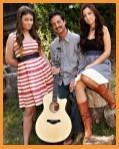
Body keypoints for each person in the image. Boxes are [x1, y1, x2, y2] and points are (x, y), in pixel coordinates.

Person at [5, 6, 53, 145]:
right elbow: (8, 59)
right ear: (20, 20)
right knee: (29, 109)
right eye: (26, 19)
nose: (29, 23)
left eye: (31, 20)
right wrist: (23, 66)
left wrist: (49, 68)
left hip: (42, 72)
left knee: (48, 101)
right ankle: (26, 143)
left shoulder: (34, 34)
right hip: (27, 76)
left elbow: (42, 54)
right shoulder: (12, 37)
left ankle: (51, 131)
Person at [73, 4, 116, 140]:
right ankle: (88, 126)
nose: (87, 17)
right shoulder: (84, 32)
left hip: (101, 64)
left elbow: (107, 52)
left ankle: (111, 99)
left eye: (89, 13)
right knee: (78, 86)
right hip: (87, 66)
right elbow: (82, 56)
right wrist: (81, 70)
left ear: (95, 13)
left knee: (84, 77)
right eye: (85, 15)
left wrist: (91, 66)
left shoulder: (103, 29)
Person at [49, 11, 85, 144]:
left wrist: (75, 79)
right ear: (52, 27)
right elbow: (54, 64)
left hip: (75, 78)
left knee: (75, 99)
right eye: (53, 24)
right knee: (57, 103)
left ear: (64, 22)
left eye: (59, 22)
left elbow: (82, 63)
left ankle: (78, 131)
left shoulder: (76, 39)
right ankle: (64, 133)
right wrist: (53, 68)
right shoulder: (53, 45)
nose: (57, 25)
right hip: (61, 80)